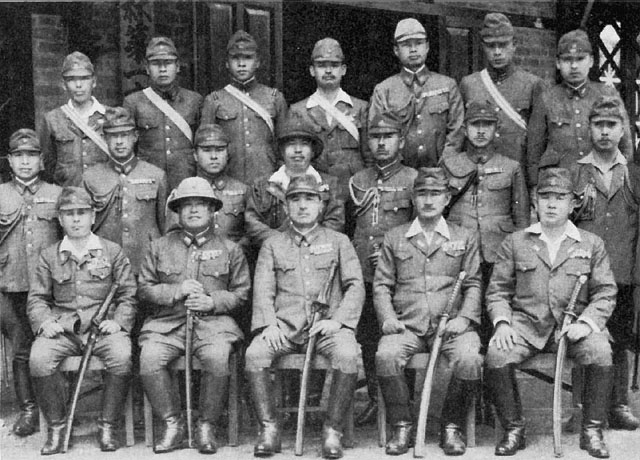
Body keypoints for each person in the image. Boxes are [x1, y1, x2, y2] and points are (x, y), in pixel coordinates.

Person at [485, 168, 617, 458]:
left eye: (560, 197)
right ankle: (513, 429)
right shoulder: (516, 242)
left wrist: (587, 323)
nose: (552, 203)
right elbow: (497, 291)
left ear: (573, 204)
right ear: (535, 201)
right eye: (545, 196)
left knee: (600, 351)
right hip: (526, 326)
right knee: (496, 354)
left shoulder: (591, 244)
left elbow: (605, 292)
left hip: (574, 329)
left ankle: (592, 430)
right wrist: (502, 323)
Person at [245, 175, 364, 459]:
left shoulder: (339, 241)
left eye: (309, 199)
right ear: (286, 207)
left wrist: (338, 321)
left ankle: (332, 430)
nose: (302, 206)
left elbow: (355, 285)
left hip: (327, 329)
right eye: (295, 199)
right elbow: (263, 288)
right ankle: (269, 429)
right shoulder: (273, 244)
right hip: (285, 328)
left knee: (348, 356)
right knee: (254, 354)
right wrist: (268, 324)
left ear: (320, 205)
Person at [374, 167, 483, 456]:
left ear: (447, 198)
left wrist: (464, 318)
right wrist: (388, 319)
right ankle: (402, 426)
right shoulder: (395, 237)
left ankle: (452, 426)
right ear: (413, 197)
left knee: (470, 358)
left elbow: (473, 283)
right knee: (386, 355)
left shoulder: (465, 236)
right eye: (422, 193)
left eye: (435, 194)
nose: (428, 200)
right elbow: (382, 284)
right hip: (406, 326)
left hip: (452, 327)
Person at [137, 177, 250, 454]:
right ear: (178, 211)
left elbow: (242, 293)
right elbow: (144, 289)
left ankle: (206, 425)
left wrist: (211, 301)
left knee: (216, 358)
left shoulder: (230, 249)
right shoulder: (159, 247)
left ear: (213, 210)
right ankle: (172, 424)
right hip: (168, 324)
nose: (194, 210)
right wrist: (176, 290)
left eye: (201, 204)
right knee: (150, 358)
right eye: (187, 205)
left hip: (213, 325)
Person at [27, 187, 137, 454]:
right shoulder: (49, 255)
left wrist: (119, 323)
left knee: (121, 355)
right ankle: (57, 426)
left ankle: (107, 425)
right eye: (69, 214)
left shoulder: (111, 252)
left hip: (103, 330)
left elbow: (128, 294)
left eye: (82, 213)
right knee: (39, 359)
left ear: (92, 215)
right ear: (60, 219)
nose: (76, 219)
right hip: (63, 330)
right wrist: (45, 322)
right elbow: (37, 298)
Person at [571, 96, 640, 431]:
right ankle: (581, 406)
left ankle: (619, 404)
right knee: (583, 334)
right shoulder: (575, 171)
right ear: (589, 128)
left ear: (623, 129)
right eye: (598, 125)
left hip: (623, 270)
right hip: (583, 273)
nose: (604, 132)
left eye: (611, 125)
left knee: (621, 337)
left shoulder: (634, 174)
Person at [347, 114, 417, 426]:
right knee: (368, 336)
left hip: (401, 275)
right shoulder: (357, 181)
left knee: (402, 333)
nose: (382, 143)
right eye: (376, 137)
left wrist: (396, 257)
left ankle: (406, 403)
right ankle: (377, 399)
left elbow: (420, 230)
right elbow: (348, 228)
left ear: (401, 141)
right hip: (363, 271)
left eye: (389, 137)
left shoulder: (414, 179)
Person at [442, 101, 529, 343]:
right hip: (459, 252)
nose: (480, 131)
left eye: (487, 125)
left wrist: (520, 253)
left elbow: (521, 217)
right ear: (465, 129)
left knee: (497, 315)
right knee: (461, 315)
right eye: (475, 125)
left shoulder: (511, 167)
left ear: (496, 129)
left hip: (498, 252)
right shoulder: (450, 164)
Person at [0, 129, 62, 437]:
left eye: (32, 156)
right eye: (19, 156)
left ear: (41, 161)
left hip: (50, 287)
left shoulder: (57, 193)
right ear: (10, 161)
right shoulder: (0, 194)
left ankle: (57, 409)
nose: (26, 162)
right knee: (22, 347)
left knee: (52, 345)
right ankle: (28, 409)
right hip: (9, 285)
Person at [527, 29, 633, 189]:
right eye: (567, 60)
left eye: (580, 59)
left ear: (591, 61)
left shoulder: (608, 94)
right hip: (559, 188)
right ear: (558, 63)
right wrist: (537, 188)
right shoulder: (547, 99)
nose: (574, 65)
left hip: (600, 187)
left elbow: (626, 146)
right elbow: (534, 152)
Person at [368, 18, 464, 169]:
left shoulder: (447, 85)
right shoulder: (384, 90)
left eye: (418, 43)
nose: (413, 50)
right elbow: (377, 134)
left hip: (441, 173)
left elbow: (457, 130)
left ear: (427, 47)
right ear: (396, 50)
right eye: (406, 45)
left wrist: (445, 165)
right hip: (400, 174)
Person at [83, 106, 168, 276]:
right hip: (104, 262)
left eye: (124, 135)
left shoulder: (156, 175)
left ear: (135, 137)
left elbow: (166, 225)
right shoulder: (90, 177)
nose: (119, 142)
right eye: (113, 136)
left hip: (145, 262)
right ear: (105, 138)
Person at [460, 13, 546, 169]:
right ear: (483, 46)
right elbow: (461, 135)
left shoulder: (533, 84)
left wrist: (533, 183)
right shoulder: (469, 84)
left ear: (514, 44)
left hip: (518, 173)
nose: (497, 52)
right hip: (479, 173)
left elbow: (536, 142)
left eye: (503, 45)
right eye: (491, 46)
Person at [201, 30, 288, 185]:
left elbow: (284, 146)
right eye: (235, 58)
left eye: (248, 58)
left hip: (266, 180)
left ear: (258, 62)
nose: (241, 64)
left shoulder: (274, 98)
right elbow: (204, 148)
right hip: (227, 182)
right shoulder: (214, 100)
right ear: (227, 63)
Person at [245, 116, 345, 251]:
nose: (298, 150)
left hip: (318, 255)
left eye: (304, 144)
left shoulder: (330, 184)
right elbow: (253, 222)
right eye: (291, 144)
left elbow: (335, 221)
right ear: (281, 150)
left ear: (313, 150)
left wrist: (309, 241)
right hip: (274, 255)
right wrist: (281, 243)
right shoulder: (263, 186)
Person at [290, 38, 369, 202]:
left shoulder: (361, 108)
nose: (328, 70)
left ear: (343, 69)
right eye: (321, 65)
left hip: (355, 192)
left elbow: (369, 157)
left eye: (334, 65)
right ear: (312, 70)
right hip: (314, 192)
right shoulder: (298, 111)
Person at [123, 37, 203, 191]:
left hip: (186, 180)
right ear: (147, 68)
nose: (162, 69)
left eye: (168, 63)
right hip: (147, 182)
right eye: (156, 64)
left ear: (177, 66)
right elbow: (128, 149)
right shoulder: (133, 102)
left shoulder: (194, 101)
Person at [167, 123, 250, 252]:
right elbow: (172, 236)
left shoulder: (243, 191)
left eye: (220, 150)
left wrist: (234, 252)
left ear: (228, 153)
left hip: (232, 262)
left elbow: (250, 234)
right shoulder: (183, 191)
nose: (214, 156)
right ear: (195, 155)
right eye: (206, 150)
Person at [40, 52, 110, 187]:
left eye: (84, 78)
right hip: (67, 197)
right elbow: (48, 165)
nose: (78, 85)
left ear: (94, 82)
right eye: (71, 79)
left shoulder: (110, 116)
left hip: (104, 197)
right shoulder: (52, 119)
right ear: (63, 84)